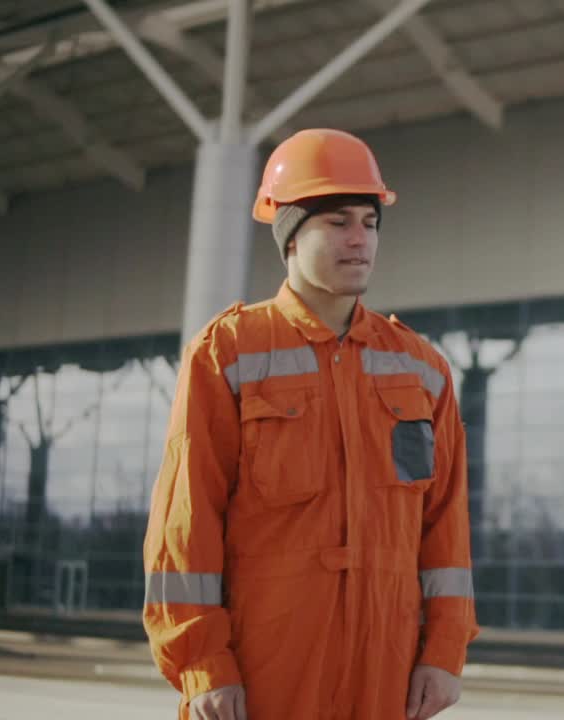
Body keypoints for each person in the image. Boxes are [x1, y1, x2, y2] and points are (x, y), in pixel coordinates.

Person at [141, 128, 478, 720]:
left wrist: (445, 652)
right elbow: (186, 524)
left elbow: (444, 526)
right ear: (291, 235)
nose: (360, 239)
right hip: (264, 669)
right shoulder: (228, 352)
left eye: (369, 222)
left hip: (385, 670)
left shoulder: (421, 368)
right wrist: (204, 663)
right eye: (337, 222)